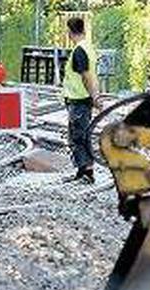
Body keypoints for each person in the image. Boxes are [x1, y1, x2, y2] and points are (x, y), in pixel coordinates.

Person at [62, 17, 101, 184]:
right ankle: (82, 171)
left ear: (70, 32)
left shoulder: (79, 50)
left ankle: (87, 173)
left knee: (78, 137)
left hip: (79, 100)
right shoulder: (88, 47)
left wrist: (95, 97)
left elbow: (86, 77)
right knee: (80, 135)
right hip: (81, 99)